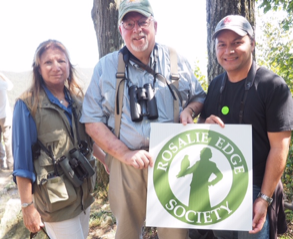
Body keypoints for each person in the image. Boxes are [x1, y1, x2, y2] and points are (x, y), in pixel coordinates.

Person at [80, 0, 206, 238]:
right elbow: (91, 122)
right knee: (127, 230)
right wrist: (124, 154)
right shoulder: (105, 67)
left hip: (173, 160)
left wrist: (189, 110)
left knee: (175, 233)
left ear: (155, 25)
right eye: (129, 24)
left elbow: (199, 97)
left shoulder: (176, 60)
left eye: (142, 22)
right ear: (121, 30)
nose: (136, 29)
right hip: (126, 161)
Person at [198, 15, 293, 239]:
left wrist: (264, 199)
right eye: (222, 44)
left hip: (255, 191)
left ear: (252, 43)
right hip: (220, 190)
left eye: (237, 43)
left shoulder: (273, 86)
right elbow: (203, 132)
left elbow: (280, 148)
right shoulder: (215, 86)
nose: (228, 50)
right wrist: (204, 124)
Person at [12, 40, 105, 239]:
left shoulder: (77, 100)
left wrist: (106, 161)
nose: (56, 67)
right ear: (38, 69)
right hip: (55, 201)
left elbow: (89, 140)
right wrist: (27, 207)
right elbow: (22, 162)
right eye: (48, 62)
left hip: (83, 196)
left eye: (61, 61)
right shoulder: (27, 105)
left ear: (69, 66)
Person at [0, 72, 13, 170]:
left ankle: (1, 162)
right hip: (4, 116)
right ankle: (10, 164)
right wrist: (1, 74)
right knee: (7, 140)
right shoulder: (2, 84)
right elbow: (11, 85)